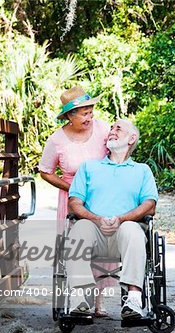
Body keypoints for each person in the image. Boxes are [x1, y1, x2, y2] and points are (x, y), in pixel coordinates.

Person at [66, 119, 158, 319]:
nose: (112, 131)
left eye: (118, 128)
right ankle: (80, 297)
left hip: (125, 234)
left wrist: (121, 219)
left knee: (133, 229)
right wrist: (97, 219)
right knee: (79, 228)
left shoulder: (142, 170)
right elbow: (74, 203)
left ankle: (133, 299)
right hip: (94, 231)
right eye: (111, 128)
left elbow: (150, 205)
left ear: (131, 138)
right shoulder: (89, 167)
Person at [38, 85, 110, 317]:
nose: (90, 117)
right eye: (84, 113)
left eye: (91, 111)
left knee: (102, 248)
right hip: (71, 198)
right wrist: (73, 188)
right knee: (78, 247)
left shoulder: (102, 129)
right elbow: (45, 171)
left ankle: (98, 302)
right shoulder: (57, 140)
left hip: (101, 195)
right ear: (70, 116)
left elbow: (119, 154)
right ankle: (80, 300)